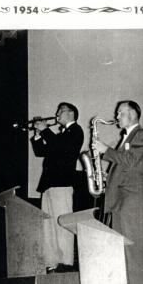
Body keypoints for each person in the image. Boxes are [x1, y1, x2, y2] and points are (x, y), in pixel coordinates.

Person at [92, 100, 143, 284]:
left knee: (133, 248)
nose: (116, 116)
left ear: (134, 114)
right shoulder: (126, 138)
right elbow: (123, 165)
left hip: (132, 197)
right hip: (119, 198)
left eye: (120, 113)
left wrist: (105, 150)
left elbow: (129, 160)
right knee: (122, 249)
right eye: (117, 113)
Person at [30, 102, 84, 273]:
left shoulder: (76, 130)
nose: (57, 114)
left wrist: (45, 130)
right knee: (49, 227)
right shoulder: (60, 134)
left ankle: (66, 263)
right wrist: (38, 135)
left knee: (62, 226)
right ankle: (51, 262)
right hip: (49, 185)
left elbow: (61, 148)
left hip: (62, 185)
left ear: (71, 114)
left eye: (61, 111)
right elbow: (41, 152)